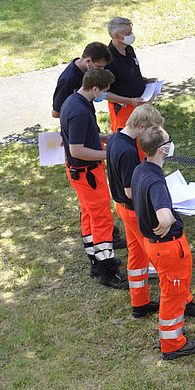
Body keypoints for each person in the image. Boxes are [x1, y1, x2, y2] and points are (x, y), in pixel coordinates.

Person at [131, 126, 195, 360]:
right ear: (163, 149)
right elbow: (165, 217)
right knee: (172, 294)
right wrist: (166, 221)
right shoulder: (156, 181)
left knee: (172, 290)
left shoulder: (141, 169)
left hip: (154, 246)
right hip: (168, 247)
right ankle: (172, 344)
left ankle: (174, 333)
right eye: (169, 140)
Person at [59, 67, 128, 289]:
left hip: (79, 173)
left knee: (88, 215)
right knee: (101, 220)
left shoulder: (74, 100)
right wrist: (109, 154)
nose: (104, 95)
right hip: (88, 173)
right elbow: (77, 149)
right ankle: (108, 270)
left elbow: (82, 135)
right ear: (95, 88)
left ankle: (95, 260)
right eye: (104, 91)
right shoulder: (79, 111)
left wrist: (103, 137)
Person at [106, 104, 165, 317]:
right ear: (142, 127)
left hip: (121, 208)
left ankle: (139, 302)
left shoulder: (115, 139)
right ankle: (183, 300)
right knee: (158, 256)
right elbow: (131, 191)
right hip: (132, 210)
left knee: (137, 257)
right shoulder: (129, 151)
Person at [105, 16, 157, 131]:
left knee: (145, 136)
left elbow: (130, 74)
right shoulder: (107, 59)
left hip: (140, 104)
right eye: (128, 33)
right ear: (116, 36)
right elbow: (104, 93)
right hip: (123, 110)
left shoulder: (129, 49)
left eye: (131, 31)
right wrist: (129, 101)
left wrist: (145, 80)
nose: (131, 35)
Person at [51, 42, 112, 118]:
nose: (102, 70)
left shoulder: (88, 71)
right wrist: (79, 113)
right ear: (88, 61)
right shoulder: (68, 80)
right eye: (99, 67)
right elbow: (56, 113)